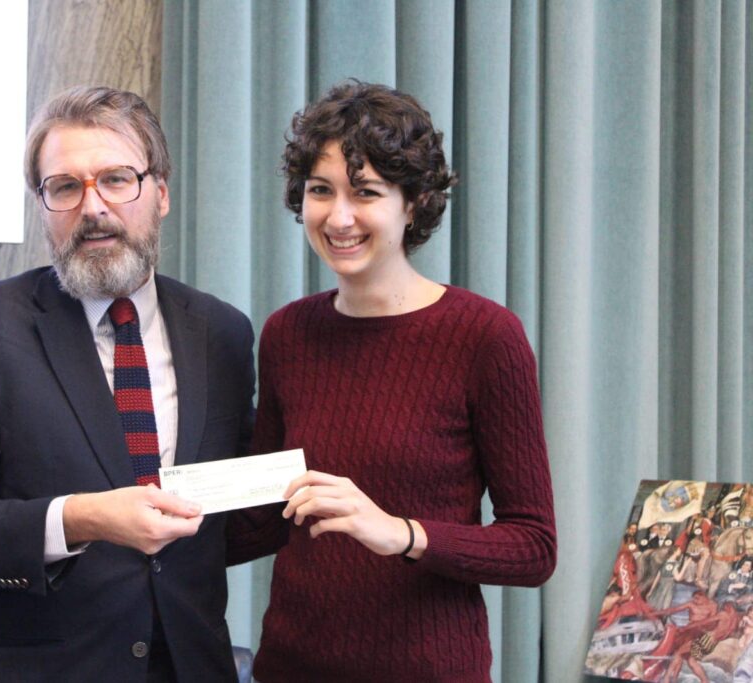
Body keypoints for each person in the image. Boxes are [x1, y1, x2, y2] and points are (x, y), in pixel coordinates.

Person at [0, 85, 255, 682]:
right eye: (65, 187)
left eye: (116, 179)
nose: (93, 207)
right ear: (43, 206)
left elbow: (230, 517)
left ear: (161, 192)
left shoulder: (222, 333)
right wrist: (79, 518)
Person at [229, 81, 556, 682]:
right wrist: (135, 510)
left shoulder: (485, 336)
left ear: (414, 203)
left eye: (366, 192)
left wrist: (402, 534)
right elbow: (265, 518)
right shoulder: (286, 334)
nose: (339, 216)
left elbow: (533, 547)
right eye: (321, 190)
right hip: (290, 668)